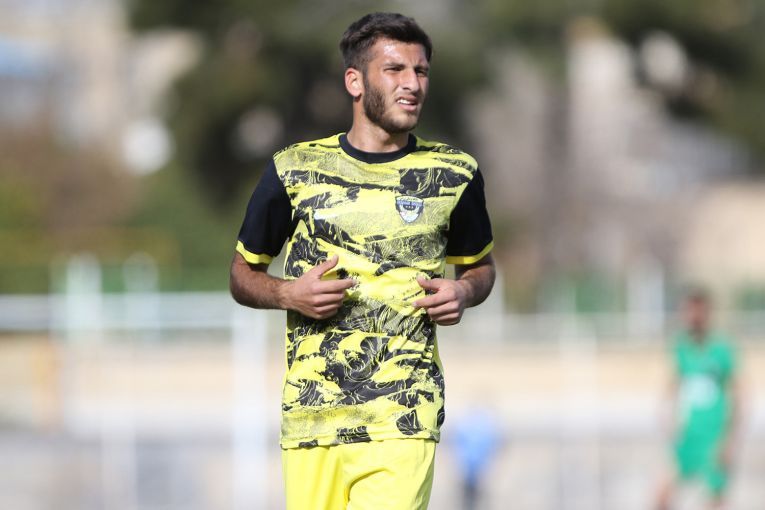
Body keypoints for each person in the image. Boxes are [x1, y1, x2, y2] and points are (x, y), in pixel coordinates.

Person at [229, 12, 495, 510]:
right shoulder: (294, 169)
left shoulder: (453, 174)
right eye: (395, 70)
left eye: (421, 71)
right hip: (312, 421)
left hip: (403, 416)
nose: (412, 84)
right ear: (355, 81)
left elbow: (480, 268)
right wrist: (289, 293)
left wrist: (463, 290)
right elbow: (241, 274)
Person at [655, 289, 740, 510]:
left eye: (698, 311)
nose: (693, 317)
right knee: (661, 496)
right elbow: (673, 384)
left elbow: (740, 394)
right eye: (689, 311)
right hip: (688, 435)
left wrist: (730, 439)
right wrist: (667, 417)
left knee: (714, 501)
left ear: (707, 313)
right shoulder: (681, 348)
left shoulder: (722, 349)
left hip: (714, 438)